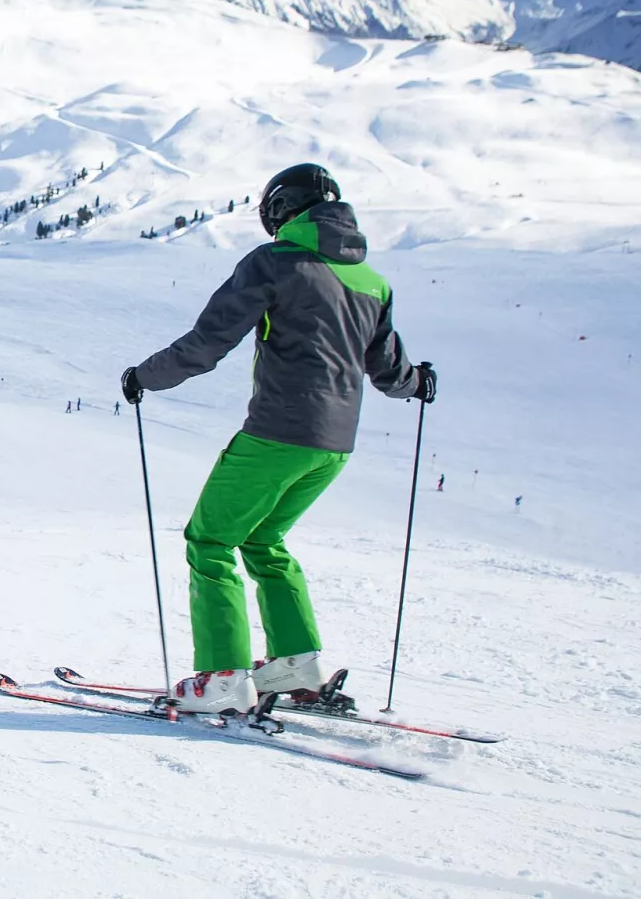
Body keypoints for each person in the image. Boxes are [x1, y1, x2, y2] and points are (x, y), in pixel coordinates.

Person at [120, 164, 435, 714]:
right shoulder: (373, 282)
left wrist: (144, 375)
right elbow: (389, 374)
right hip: (334, 448)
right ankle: (295, 663)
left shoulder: (275, 263)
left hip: (277, 434)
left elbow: (208, 342)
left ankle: (222, 678)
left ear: (281, 209)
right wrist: (419, 382)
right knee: (264, 541)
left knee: (211, 540)